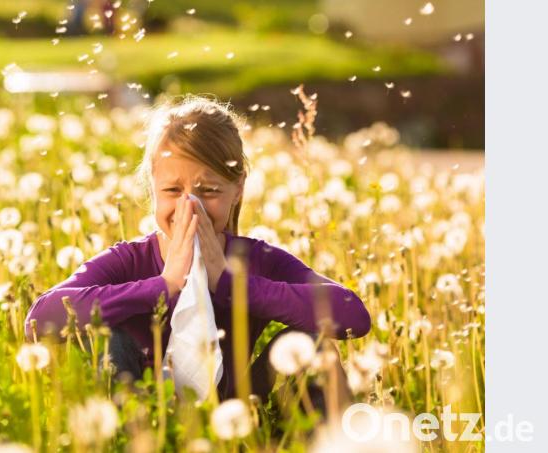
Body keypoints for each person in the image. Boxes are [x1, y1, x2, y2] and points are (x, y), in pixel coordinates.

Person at [24, 96, 371, 405]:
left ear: (237, 190)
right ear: (153, 189)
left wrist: (232, 284)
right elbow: (40, 320)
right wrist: (163, 286)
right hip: (140, 410)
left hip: (239, 410)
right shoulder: (130, 260)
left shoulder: (255, 260)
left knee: (313, 345)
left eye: (208, 190)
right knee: (105, 338)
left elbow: (353, 314)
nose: (190, 206)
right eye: (173, 190)